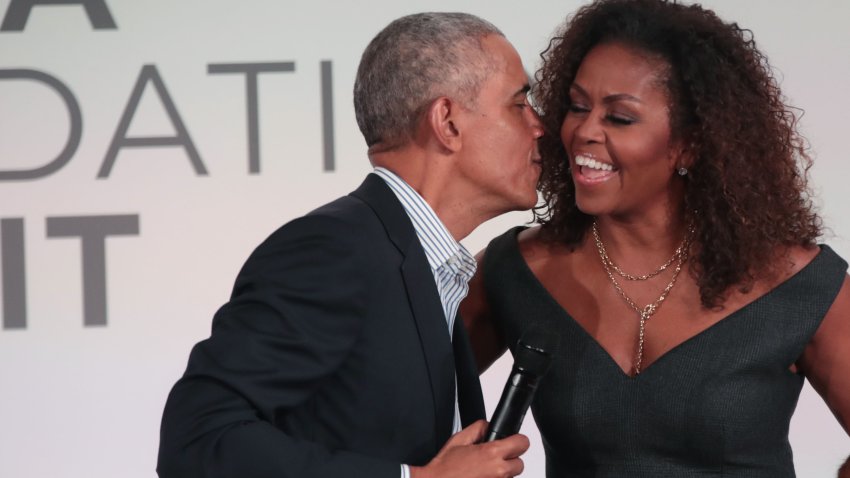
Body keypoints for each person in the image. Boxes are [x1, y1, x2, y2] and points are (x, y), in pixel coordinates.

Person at [461, 0, 850, 476]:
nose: (584, 131)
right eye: (577, 107)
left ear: (691, 142)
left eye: (619, 118)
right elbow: (394, 408)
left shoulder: (803, 287)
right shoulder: (515, 271)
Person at [156, 12, 544, 478]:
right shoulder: (331, 251)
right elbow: (198, 438)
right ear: (448, 122)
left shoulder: (425, 264)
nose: (540, 126)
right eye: (519, 103)